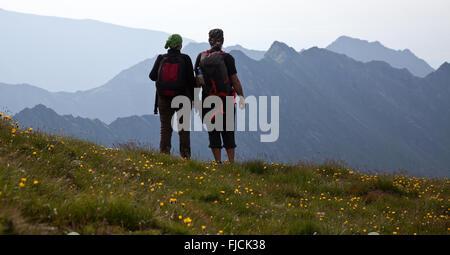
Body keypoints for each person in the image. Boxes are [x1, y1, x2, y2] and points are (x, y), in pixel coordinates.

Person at [194, 28, 245, 163]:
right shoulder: (227, 58)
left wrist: (195, 99)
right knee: (228, 131)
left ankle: (218, 163)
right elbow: (235, 80)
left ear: (209, 40)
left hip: (208, 99)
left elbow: (199, 82)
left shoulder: (200, 57)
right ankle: (231, 162)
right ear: (222, 41)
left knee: (213, 132)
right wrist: (241, 97)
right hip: (226, 100)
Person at [149, 34, 195, 159]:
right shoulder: (185, 59)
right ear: (180, 45)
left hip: (163, 98)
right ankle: (185, 157)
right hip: (182, 98)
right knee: (183, 128)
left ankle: (164, 155)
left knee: (165, 128)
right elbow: (191, 81)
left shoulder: (161, 58)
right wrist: (195, 99)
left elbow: (152, 76)